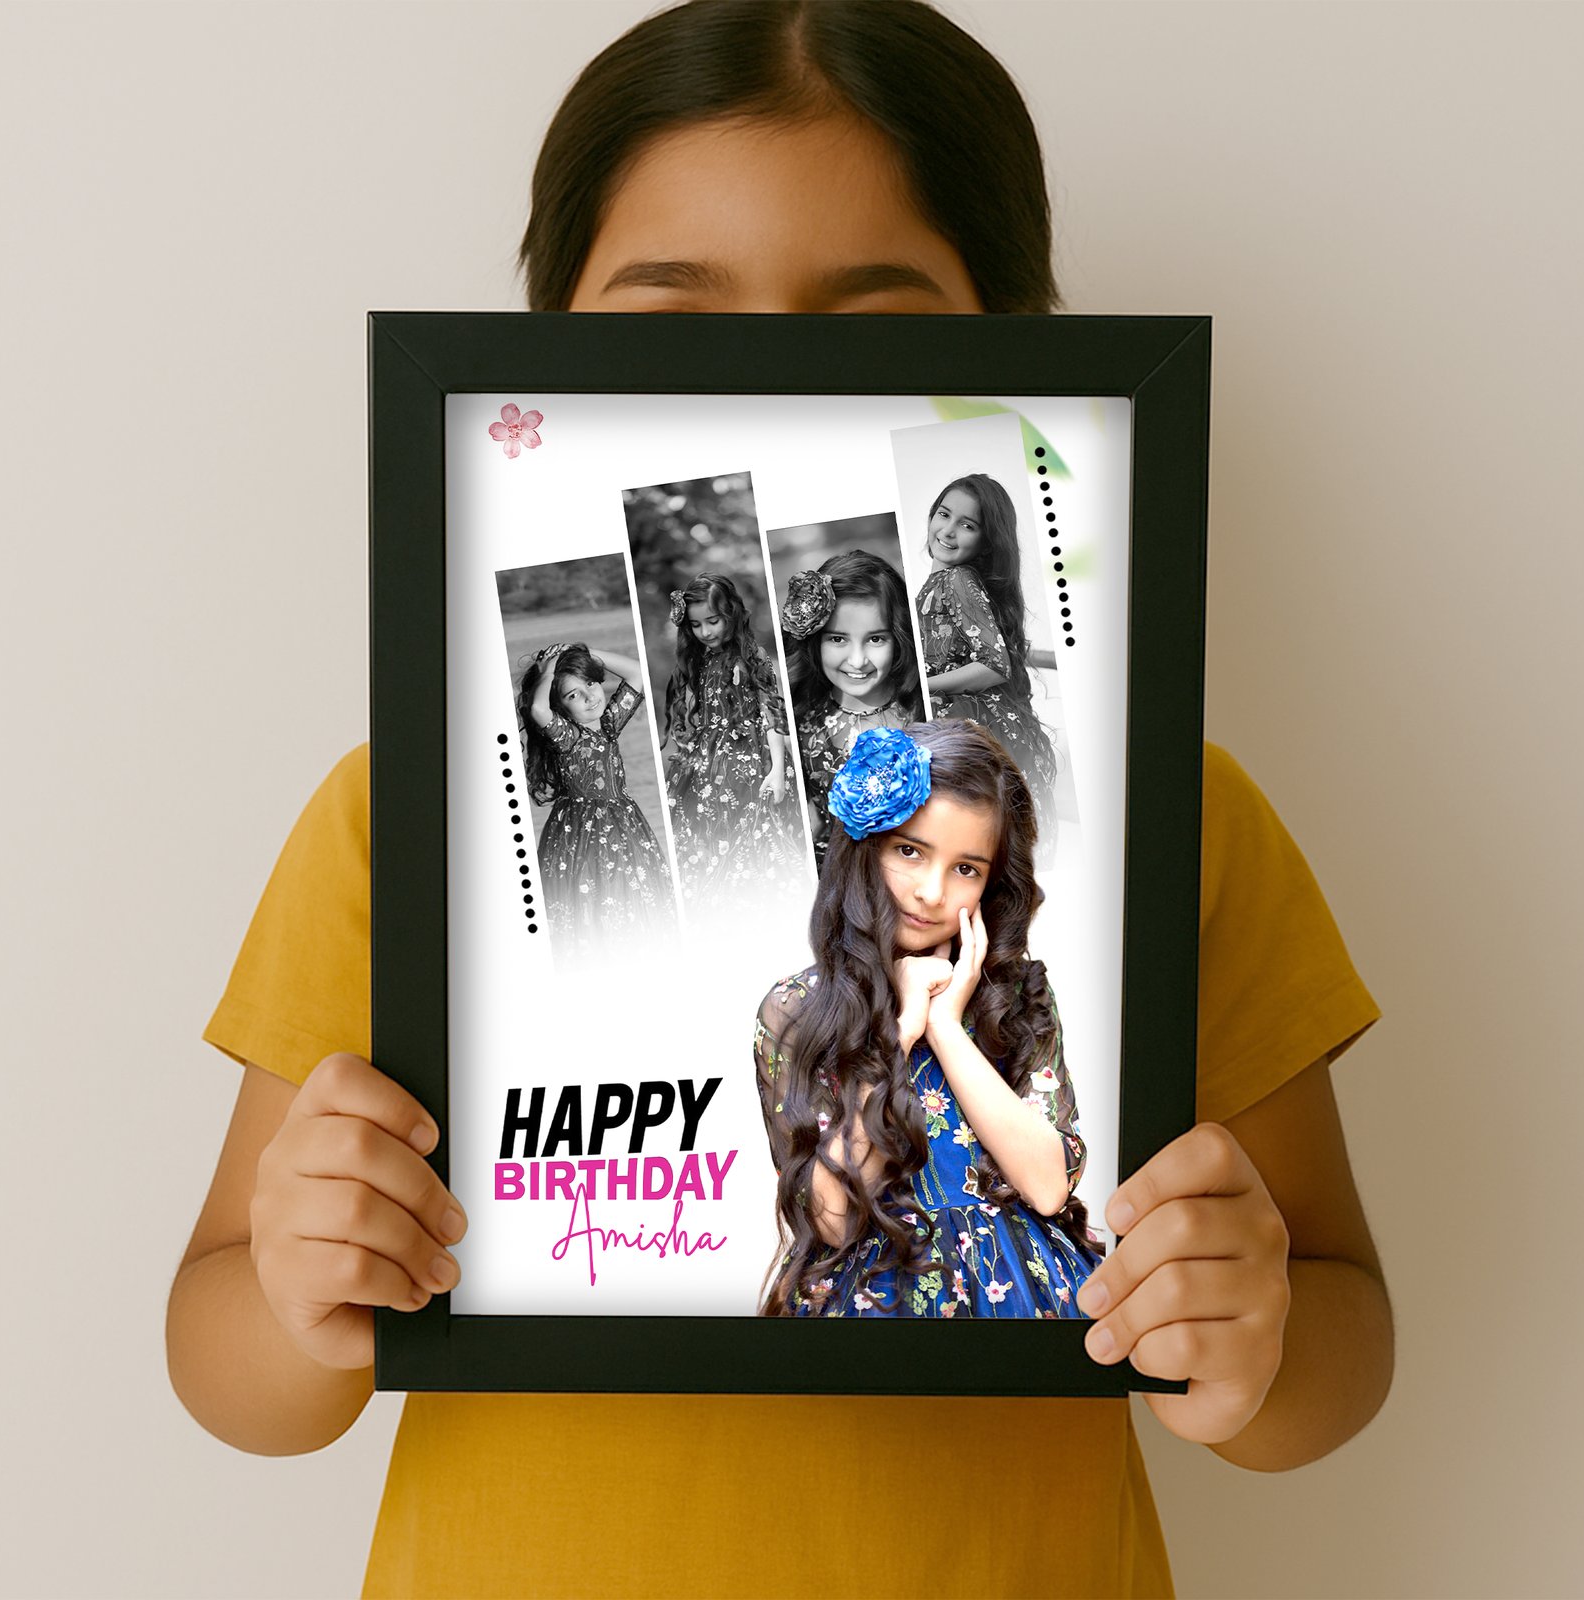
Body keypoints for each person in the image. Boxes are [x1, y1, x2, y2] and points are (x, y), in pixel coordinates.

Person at [166, 3, 1392, 1595]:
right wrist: (297, 1281)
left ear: (1022, 346)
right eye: (671, 314)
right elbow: (226, 1362)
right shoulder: (411, 812)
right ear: (540, 345)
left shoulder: (1172, 812)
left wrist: (1252, 1337)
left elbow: (1340, 1332)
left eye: (872, 319)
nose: (768, 370)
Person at [754, 721, 1100, 1317]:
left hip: (1020, 1295)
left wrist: (945, 1025)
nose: (931, 892)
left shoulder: (1016, 995)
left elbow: (1046, 1187)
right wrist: (901, 1032)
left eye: (966, 868)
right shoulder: (796, 1010)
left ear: (994, 883)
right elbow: (833, 1220)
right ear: (868, 848)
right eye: (909, 851)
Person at [916, 472, 1062, 853]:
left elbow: (995, 665)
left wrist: (922, 684)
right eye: (943, 515)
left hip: (980, 731)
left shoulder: (959, 579)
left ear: (984, 542)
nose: (948, 532)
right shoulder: (939, 582)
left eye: (967, 525)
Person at [515, 641, 675, 953]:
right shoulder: (566, 736)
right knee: (589, 897)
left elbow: (636, 671)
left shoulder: (609, 725)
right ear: (561, 707)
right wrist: (548, 670)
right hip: (578, 833)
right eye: (573, 695)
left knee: (633, 895)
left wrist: (586, 656)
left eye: (590, 683)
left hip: (624, 825)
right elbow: (537, 709)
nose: (590, 697)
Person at [661, 570, 805, 905]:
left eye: (713, 621)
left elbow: (773, 715)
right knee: (713, 843)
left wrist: (777, 771)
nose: (705, 632)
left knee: (755, 843)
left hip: (750, 764)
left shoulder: (752, 656)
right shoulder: (699, 659)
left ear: (731, 615)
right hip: (709, 765)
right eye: (696, 625)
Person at [780, 549, 924, 869]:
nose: (857, 661)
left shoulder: (925, 712)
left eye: (875, 639)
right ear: (814, 640)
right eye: (838, 639)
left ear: (899, 638)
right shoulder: (797, 720)